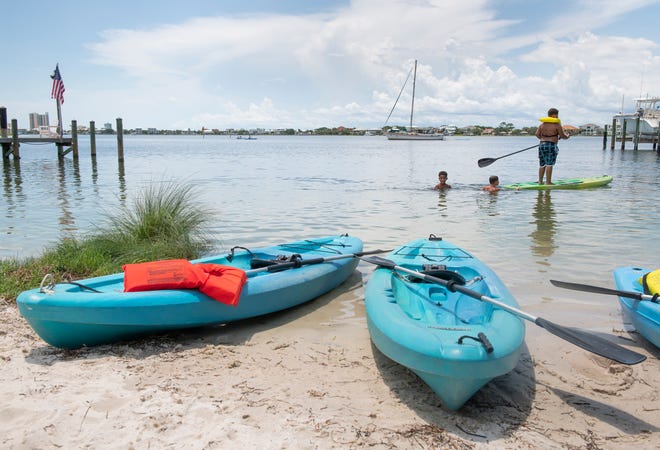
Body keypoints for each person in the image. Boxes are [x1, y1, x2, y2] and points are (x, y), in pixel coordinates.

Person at [535, 108, 569, 185]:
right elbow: (563, 136)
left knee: (542, 164)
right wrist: (568, 136)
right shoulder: (557, 125)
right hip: (551, 145)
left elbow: (537, 134)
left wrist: (544, 139)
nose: (557, 116)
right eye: (557, 114)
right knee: (549, 164)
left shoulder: (542, 125)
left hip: (542, 145)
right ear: (553, 115)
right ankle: (548, 182)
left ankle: (540, 181)